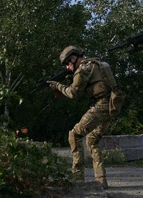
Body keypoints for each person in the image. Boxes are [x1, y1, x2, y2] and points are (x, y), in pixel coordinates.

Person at [47, 46, 123, 188]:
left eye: (67, 63)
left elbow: (73, 93)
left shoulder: (83, 69)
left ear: (74, 58)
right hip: (112, 105)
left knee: (74, 135)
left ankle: (77, 178)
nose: (68, 67)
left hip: (101, 105)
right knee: (92, 140)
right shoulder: (94, 64)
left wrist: (58, 86)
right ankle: (101, 180)